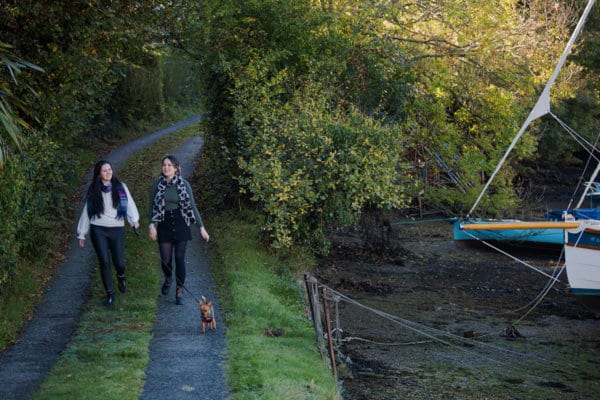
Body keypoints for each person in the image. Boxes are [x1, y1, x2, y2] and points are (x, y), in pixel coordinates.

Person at [77, 160, 140, 307]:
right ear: (99, 174)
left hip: (116, 228)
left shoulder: (120, 187)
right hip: (98, 229)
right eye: (104, 170)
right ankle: (110, 294)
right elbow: (87, 212)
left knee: (119, 262)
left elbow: (129, 204)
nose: (108, 172)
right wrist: (82, 233)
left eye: (110, 169)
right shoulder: (94, 190)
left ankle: (121, 275)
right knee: (104, 261)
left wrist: (134, 220)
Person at [148, 155, 209, 305]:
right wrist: (151, 225)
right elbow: (151, 207)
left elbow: (193, 207)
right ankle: (168, 278)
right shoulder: (156, 184)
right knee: (166, 260)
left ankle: (179, 290)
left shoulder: (184, 184)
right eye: (164, 165)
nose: (166, 167)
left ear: (176, 168)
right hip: (164, 223)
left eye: (169, 165)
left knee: (179, 258)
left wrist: (201, 228)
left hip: (181, 222)